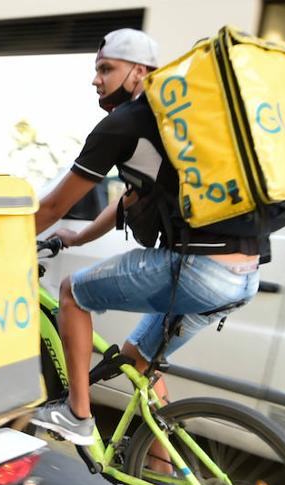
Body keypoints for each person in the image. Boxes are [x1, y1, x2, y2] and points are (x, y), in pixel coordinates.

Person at [29, 29, 261, 446]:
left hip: (200, 268)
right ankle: (161, 468)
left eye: (105, 68)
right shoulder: (177, 123)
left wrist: (1, 243)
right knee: (139, 362)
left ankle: (77, 413)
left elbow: (51, 207)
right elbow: (129, 200)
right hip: (244, 273)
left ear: (139, 72)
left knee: (71, 294)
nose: (96, 79)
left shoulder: (124, 124)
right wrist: (78, 239)